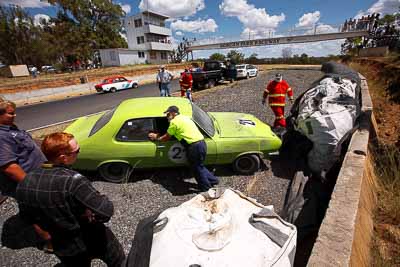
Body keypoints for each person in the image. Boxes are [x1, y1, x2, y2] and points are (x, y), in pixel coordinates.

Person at [15, 132, 125, 267]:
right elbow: (106, 210)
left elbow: (27, 218)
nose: (79, 152)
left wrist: (47, 237)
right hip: (93, 237)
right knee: (118, 262)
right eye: (77, 151)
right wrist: (93, 215)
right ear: (63, 158)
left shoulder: (24, 182)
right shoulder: (73, 180)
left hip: (63, 245)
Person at [0, 99, 52, 250]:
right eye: (11, 113)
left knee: (44, 209)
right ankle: (50, 243)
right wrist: (33, 186)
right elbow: (9, 167)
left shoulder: (9, 128)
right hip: (27, 183)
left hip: (37, 176)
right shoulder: (1, 137)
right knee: (36, 213)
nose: (15, 115)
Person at [148, 106, 219, 192]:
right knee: (199, 165)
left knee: (196, 169)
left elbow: (166, 138)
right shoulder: (185, 117)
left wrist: (156, 137)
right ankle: (214, 180)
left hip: (193, 146)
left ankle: (206, 188)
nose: (167, 116)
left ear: (173, 113)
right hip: (202, 143)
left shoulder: (174, 122)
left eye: (168, 114)